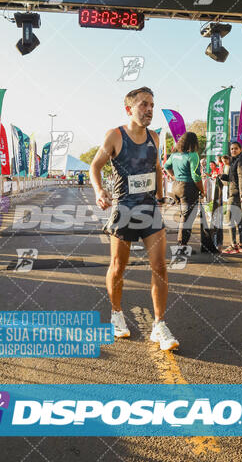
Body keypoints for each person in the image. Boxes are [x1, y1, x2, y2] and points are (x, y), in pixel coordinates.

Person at [90, 87, 179, 351]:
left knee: (160, 266)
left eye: (152, 104)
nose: (149, 109)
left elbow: (157, 168)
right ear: (129, 109)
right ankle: (116, 314)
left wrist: (161, 197)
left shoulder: (154, 137)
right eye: (143, 105)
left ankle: (159, 325)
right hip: (124, 208)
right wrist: (98, 191)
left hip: (149, 208)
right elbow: (94, 166)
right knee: (118, 266)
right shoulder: (115, 135)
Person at [163, 132, 205, 254]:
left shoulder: (175, 155)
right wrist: (202, 190)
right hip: (188, 188)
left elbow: (166, 166)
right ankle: (181, 246)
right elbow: (196, 176)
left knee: (183, 216)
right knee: (187, 219)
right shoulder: (193, 155)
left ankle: (181, 244)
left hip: (176, 187)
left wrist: (173, 176)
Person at [221, 142, 242, 254]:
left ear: (241, 149)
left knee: (230, 218)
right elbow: (233, 177)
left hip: (235, 193)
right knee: (238, 219)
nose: (233, 151)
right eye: (231, 149)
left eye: (235, 149)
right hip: (235, 191)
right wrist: (222, 176)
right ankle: (241, 245)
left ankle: (233, 245)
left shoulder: (241, 160)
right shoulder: (237, 159)